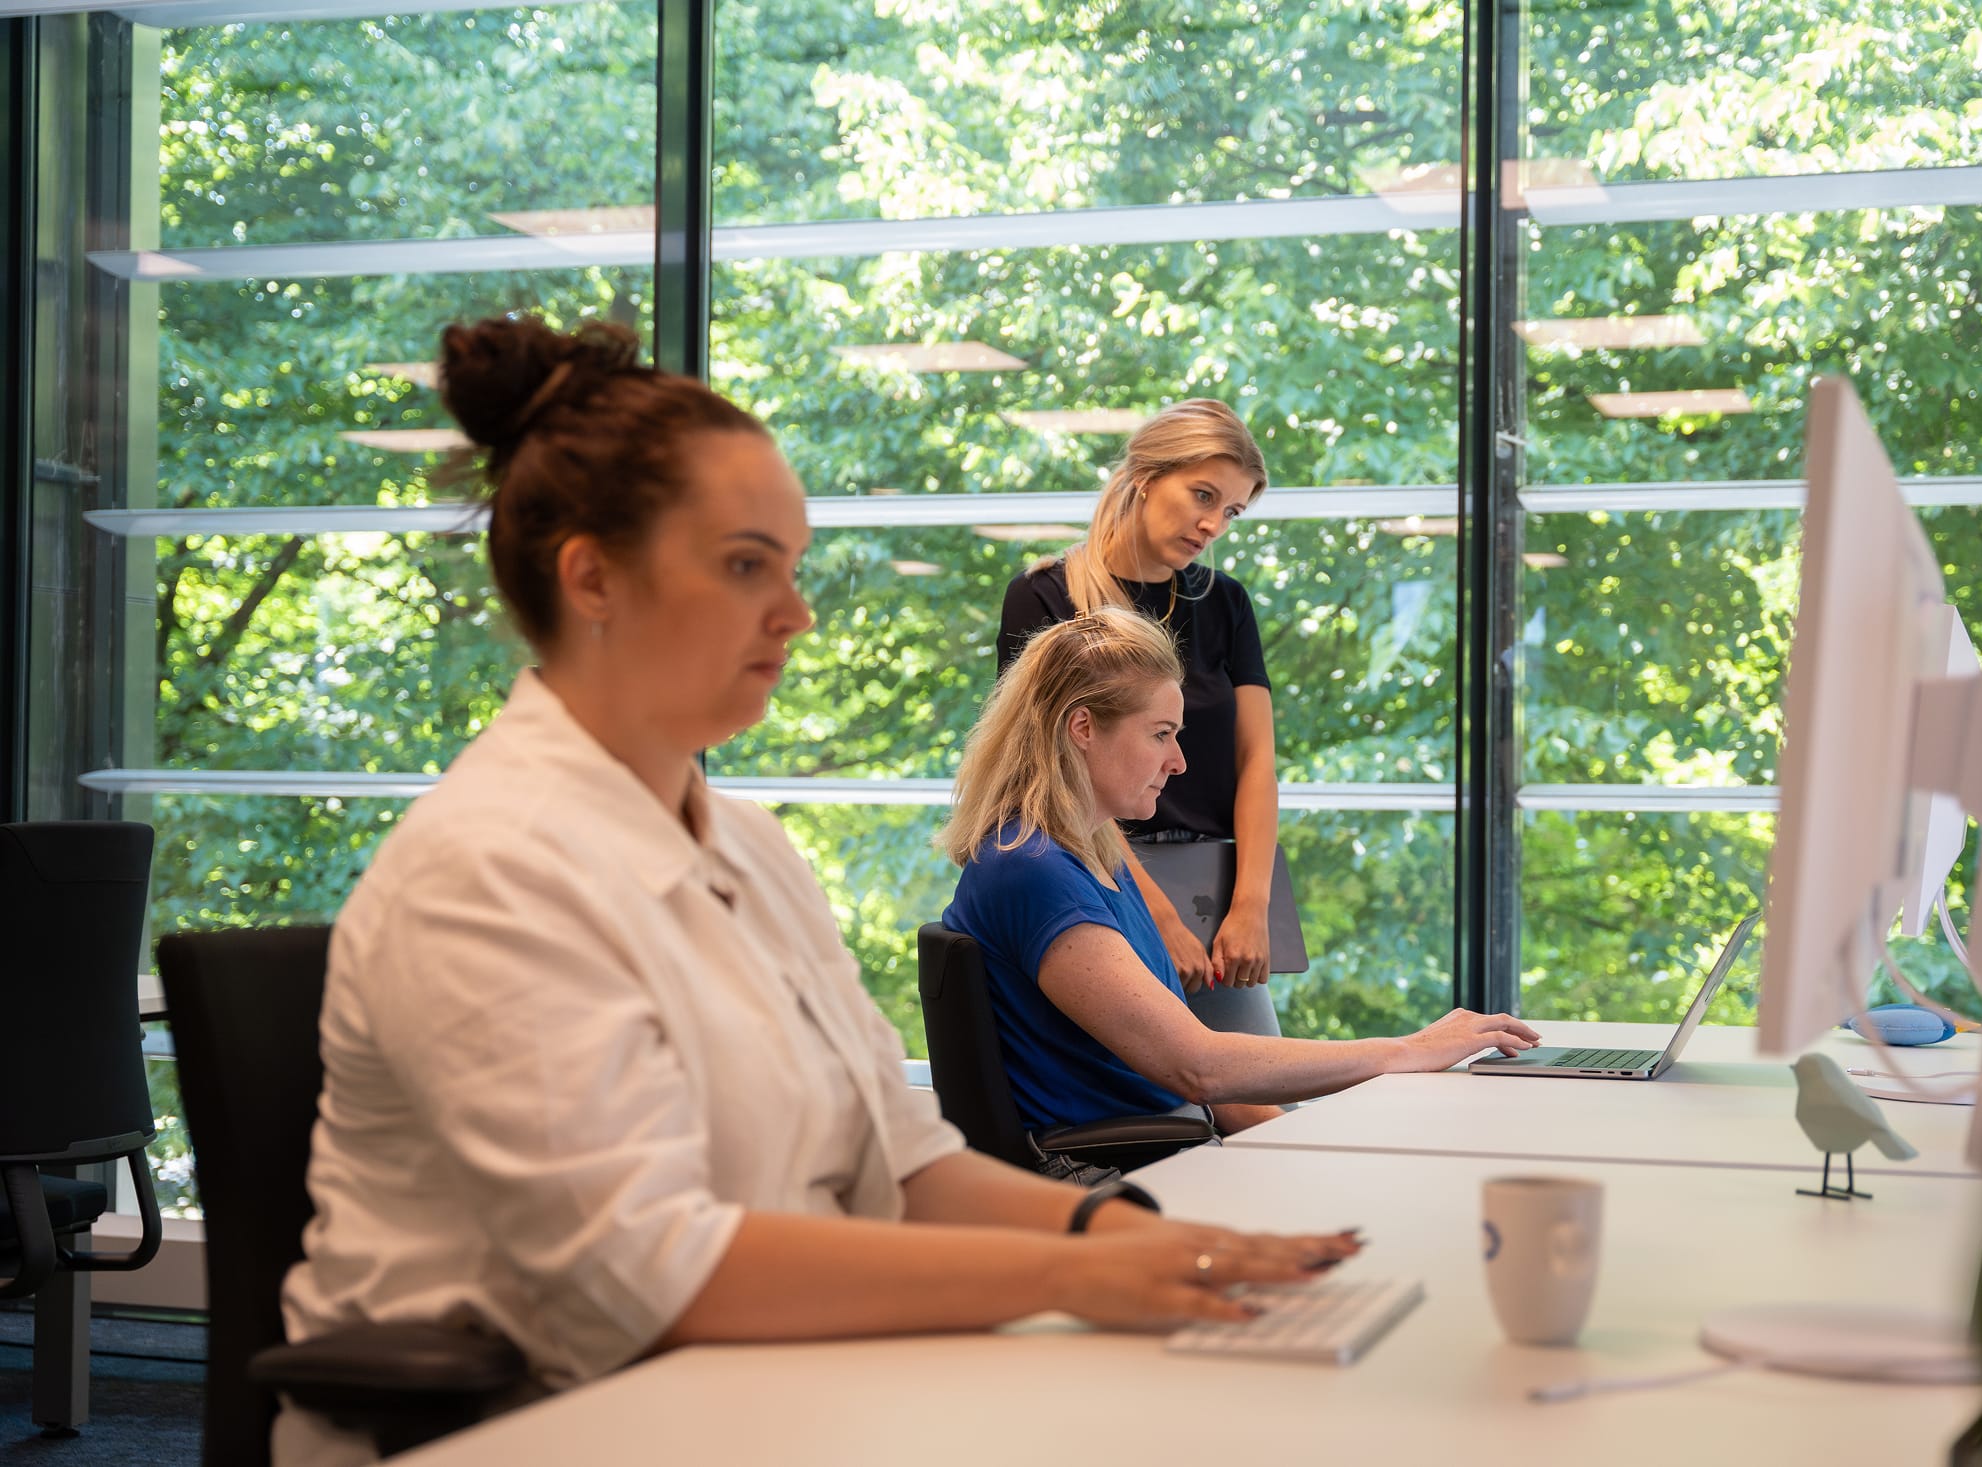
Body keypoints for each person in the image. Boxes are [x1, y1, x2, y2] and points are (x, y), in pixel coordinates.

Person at [273, 318, 1359, 1467]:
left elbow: (905, 1162)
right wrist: (1093, 1268)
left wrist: (1136, 1233)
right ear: (591, 576)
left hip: (753, 1387)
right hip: (551, 1421)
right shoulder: (488, 870)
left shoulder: (748, 848)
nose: (794, 615)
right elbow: (652, 1273)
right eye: (747, 566)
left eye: (790, 568)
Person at [941, 606, 1541, 1137]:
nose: (1178, 762)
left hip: (1166, 1144)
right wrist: (1408, 1050)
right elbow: (1197, 1067)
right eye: (1160, 735)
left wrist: (1301, 1152)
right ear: (1082, 728)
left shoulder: (1090, 849)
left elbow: (1205, 1087)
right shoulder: (1031, 869)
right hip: (1120, 1170)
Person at [995, 400, 1283, 1035]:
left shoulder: (1226, 602)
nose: (1213, 524)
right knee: (1165, 1100)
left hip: (1213, 889)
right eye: (1202, 495)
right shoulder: (1046, 597)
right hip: (1091, 877)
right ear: (1147, 477)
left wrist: (1251, 905)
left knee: (1256, 1101)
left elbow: (1256, 760)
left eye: (1231, 511)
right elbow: (1050, 775)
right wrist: (1155, 913)